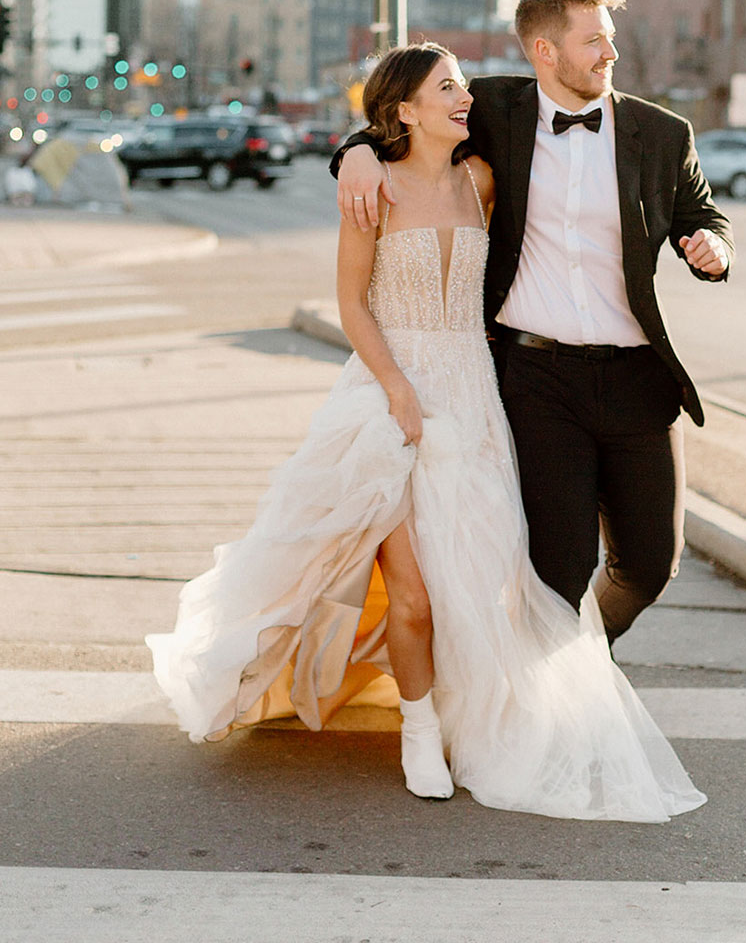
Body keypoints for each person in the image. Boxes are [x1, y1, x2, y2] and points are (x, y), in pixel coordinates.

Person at [147, 41, 706, 822]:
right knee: (411, 597)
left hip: (476, 397)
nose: (465, 97)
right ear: (404, 109)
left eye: (463, 84)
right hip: (389, 394)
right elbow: (351, 306)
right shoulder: (370, 193)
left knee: (480, 579)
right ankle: (417, 730)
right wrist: (397, 389)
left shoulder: (482, 180)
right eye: (447, 87)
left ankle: (478, 716)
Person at [334, 0, 734, 646]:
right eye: (592, 42)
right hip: (538, 379)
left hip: (638, 378)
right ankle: (543, 699)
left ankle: (584, 664)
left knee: (648, 566)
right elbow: (402, 117)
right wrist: (357, 155)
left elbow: (705, 213)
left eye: (609, 39)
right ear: (543, 52)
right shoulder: (493, 111)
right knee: (559, 564)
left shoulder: (663, 134)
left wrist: (712, 247)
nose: (609, 54)